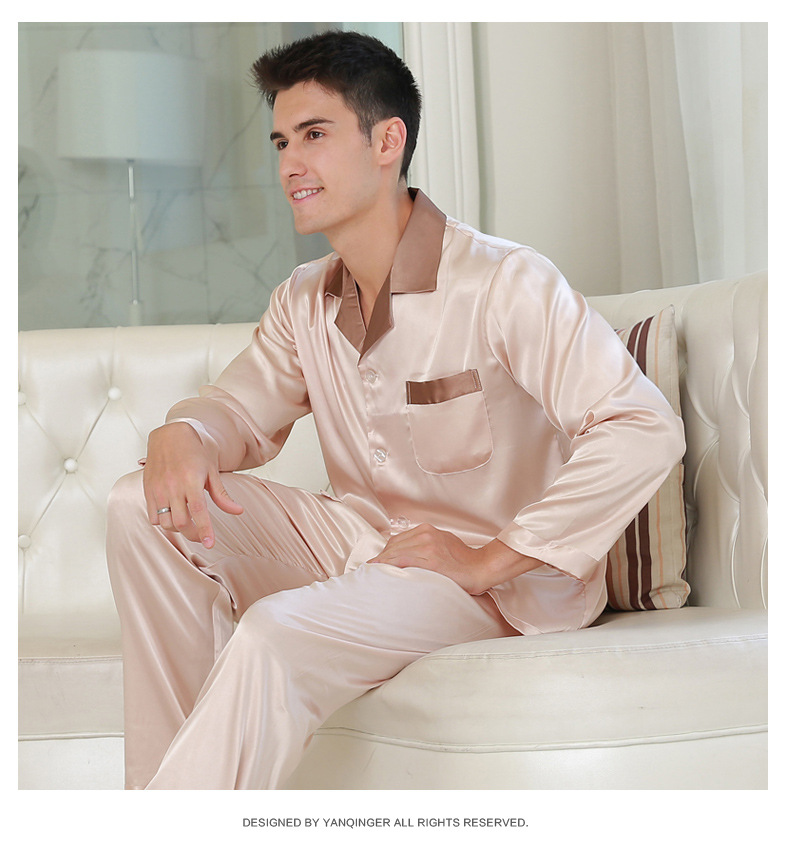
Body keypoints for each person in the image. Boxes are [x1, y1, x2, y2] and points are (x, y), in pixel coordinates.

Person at [106, 30, 685, 790]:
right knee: (141, 504)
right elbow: (237, 411)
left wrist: (490, 557)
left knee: (275, 634)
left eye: (314, 135)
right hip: (363, 544)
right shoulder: (304, 298)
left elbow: (642, 426)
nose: (289, 164)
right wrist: (183, 430)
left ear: (387, 141)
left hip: (491, 584)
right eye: (281, 141)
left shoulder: (504, 281)